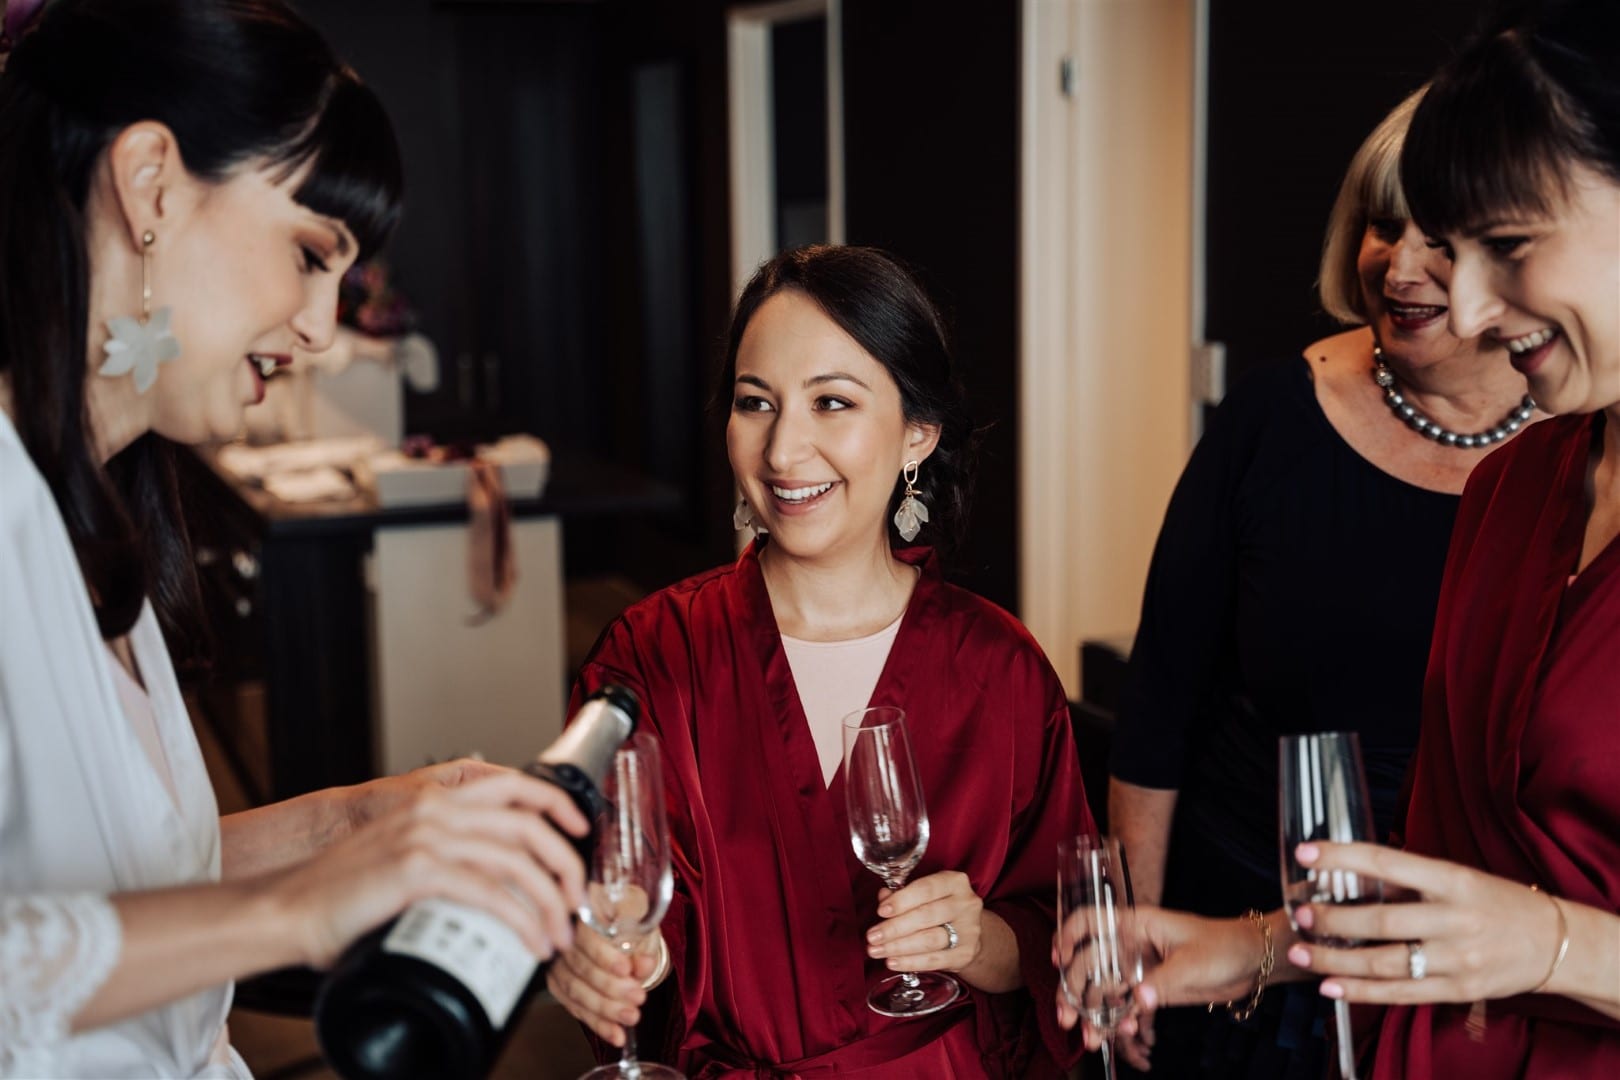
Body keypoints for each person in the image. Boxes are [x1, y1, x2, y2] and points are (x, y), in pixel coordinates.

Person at [0, 2, 588, 1075]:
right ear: (150, 188)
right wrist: (298, 911)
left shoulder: (99, 509)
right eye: (311, 252)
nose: (322, 327)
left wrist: (356, 822)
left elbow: (110, 887)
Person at [1066, 2, 1620, 1076]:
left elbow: (1513, 916)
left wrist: (1555, 944)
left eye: (1502, 246)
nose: (1461, 309)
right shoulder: (1515, 491)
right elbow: (1451, 851)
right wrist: (1255, 946)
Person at [546, 245, 1092, 1077]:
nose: (783, 450)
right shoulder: (651, 659)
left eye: (831, 402)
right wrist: (623, 958)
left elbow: (1072, 941)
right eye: (755, 403)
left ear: (917, 432)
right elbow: (619, 906)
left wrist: (979, 940)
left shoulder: (1001, 672)